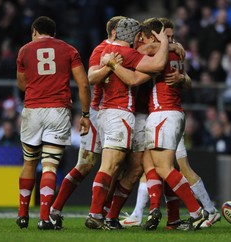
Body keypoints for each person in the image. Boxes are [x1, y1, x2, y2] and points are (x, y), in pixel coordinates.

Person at [106, 18, 209, 231]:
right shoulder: (172, 52)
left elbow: (137, 71)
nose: (171, 40)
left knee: (162, 167)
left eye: (172, 37)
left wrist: (163, 44)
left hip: (161, 114)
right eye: (167, 36)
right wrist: (170, 45)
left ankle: (197, 212)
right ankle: (172, 217)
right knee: (157, 167)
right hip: (171, 113)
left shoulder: (156, 52)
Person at [84, 17, 169, 230]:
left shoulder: (102, 50)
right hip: (119, 113)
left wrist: (110, 66)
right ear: (133, 36)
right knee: (111, 165)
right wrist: (167, 42)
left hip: (106, 113)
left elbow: (92, 77)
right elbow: (157, 64)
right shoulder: (129, 54)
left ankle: (110, 216)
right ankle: (95, 214)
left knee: (132, 168)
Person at [49, 16, 125, 228]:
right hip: (102, 112)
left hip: (104, 112)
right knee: (102, 165)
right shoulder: (101, 50)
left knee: (102, 165)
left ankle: (100, 213)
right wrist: (110, 67)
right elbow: (91, 78)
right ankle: (91, 212)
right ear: (114, 32)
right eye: (125, 29)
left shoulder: (124, 48)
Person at [15, 16, 91, 230]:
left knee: (29, 162)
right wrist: (85, 114)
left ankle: (22, 214)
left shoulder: (24, 50)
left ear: (34, 31)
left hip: (32, 109)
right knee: (50, 164)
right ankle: (44, 218)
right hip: (58, 110)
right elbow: (83, 84)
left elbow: (22, 84)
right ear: (54, 33)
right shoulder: (68, 49)